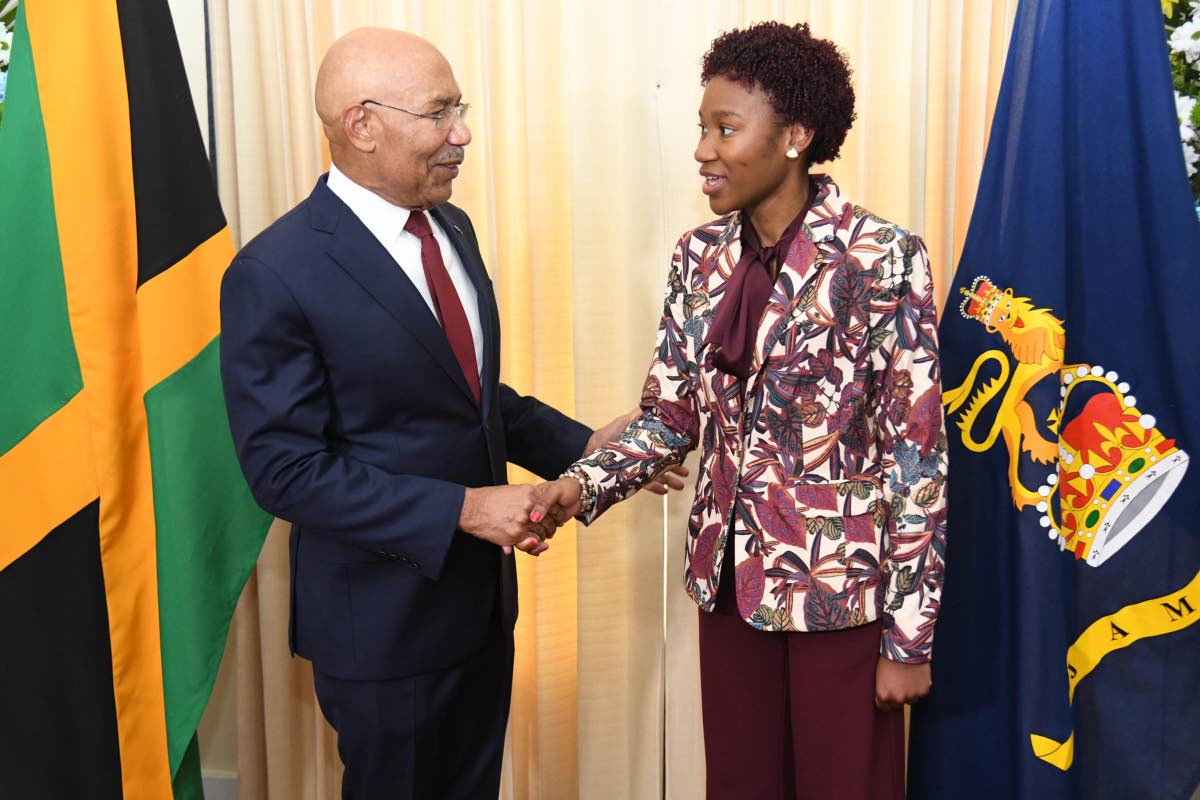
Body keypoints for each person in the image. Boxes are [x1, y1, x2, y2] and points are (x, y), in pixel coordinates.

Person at [218, 27, 683, 799]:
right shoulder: (274, 272)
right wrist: (466, 510)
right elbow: (283, 471)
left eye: (458, 109)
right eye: (440, 113)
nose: (462, 133)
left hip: (478, 612)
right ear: (362, 124)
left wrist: (583, 445)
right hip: (380, 630)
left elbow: (463, 397)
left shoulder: (450, 227)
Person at [534, 21, 948, 799]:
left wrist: (909, 637)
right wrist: (577, 487)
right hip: (726, 584)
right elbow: (668, 416)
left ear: (795, 135)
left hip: (843, 596)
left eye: (726, 128)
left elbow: (916, 457)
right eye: (702, 127)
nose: (703, 150)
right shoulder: (698, 258)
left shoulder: (883, 257)